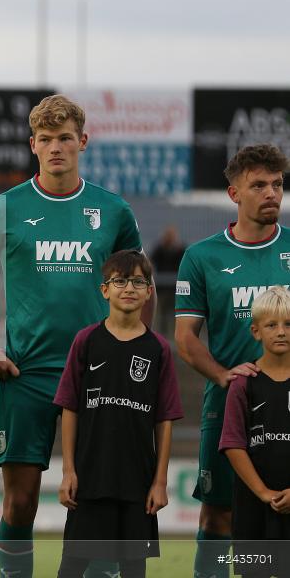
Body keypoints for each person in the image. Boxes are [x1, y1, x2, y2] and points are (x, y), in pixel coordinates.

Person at [0, 94, 152, 578]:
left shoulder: (112, 210)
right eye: (46, 139)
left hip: (100, 374)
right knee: (19, 503)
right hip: (27, 373)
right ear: (32, 145)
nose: (56, 147)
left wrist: (140, 350)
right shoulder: (6, 206)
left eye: (65, 138)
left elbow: (141, 285)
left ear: (83, 141)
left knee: (96, 502)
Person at [174, 143, 290, 578]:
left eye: (277, 184)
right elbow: (185, 338)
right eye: (258, 185)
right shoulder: (202, 257)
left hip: (287, 406)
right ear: (234, 193)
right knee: (219, 517)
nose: (271, 193)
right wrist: (223, 375)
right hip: (228, 408)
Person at [54, 250, 182, 578]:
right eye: (120, 281)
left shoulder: (159, 349)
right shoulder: (86, 341)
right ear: (105, 290)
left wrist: (160, 481)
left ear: (150, 291)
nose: (129, 288)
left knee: (133, 570)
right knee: (71, 567)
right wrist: (69, 471)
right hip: (90, 478)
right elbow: (70, 409)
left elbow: (164, 419)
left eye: (139, 281)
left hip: (137, 483)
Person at [219, 286, 290, 578]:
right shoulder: (243, 383)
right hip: (254, 506)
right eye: (272, 325)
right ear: (256, 331)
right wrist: (263, 493)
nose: (281, 332)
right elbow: (233, 443)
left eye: (288, 324)